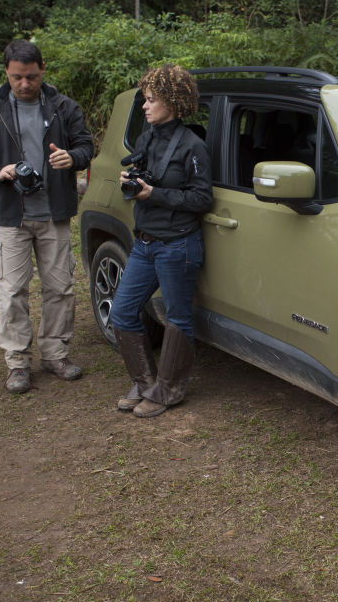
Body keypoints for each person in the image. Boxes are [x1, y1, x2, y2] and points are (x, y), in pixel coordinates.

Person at [0, 39, 94, 394]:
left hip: (55, 213)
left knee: (60, 288)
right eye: (17, 77)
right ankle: (17, 362)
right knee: (12, 290)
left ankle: (54, 354)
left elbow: (85, 144)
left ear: (42, 71)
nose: (24, 84)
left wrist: (73, 158)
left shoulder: (64, 107)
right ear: (6, 72)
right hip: (11, 215)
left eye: (31, 77)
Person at [109, 64, 213, 418]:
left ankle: (169, 389)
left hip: (178, 244)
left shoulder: (193, 146)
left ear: (173, 101)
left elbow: (201, 200)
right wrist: (133, 179)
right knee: (122, 312)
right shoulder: (147, 137)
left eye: (151, 100)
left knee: (177, 318)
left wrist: (154, 193)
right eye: (145, 100)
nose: (145, 106)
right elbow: (143, 177)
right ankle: (145, 382)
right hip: (144, 242)